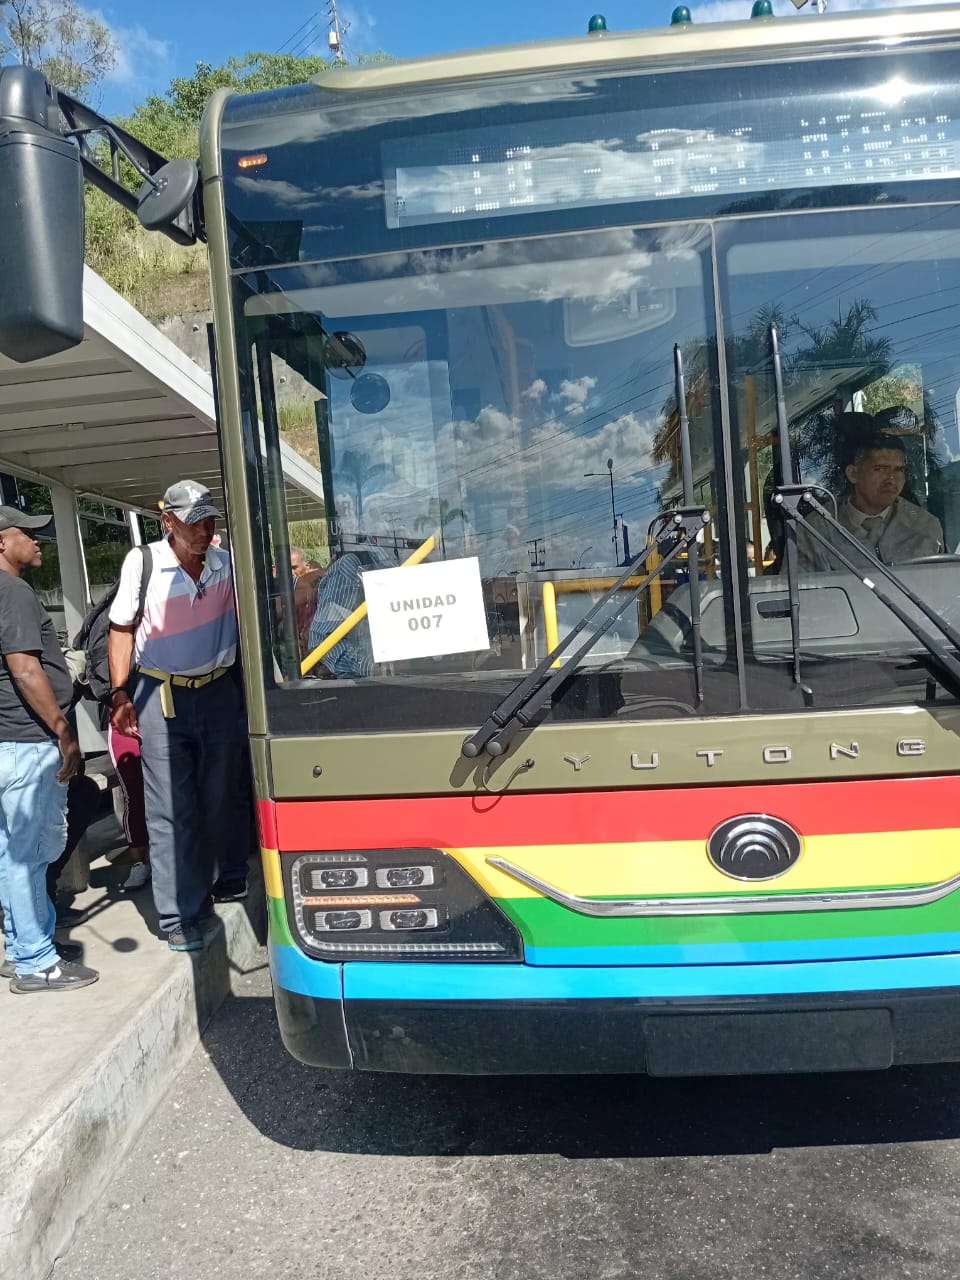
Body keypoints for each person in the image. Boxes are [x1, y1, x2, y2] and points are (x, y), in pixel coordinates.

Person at [107, 481, 251, 953]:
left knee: (220, 795)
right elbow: (121, 630)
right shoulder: (143, 563)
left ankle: (222, 878)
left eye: (210, 520)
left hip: (218, 691)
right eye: (194, 522)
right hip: (161, 695)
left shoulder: (226, 564)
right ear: (167, 521)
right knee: (171, 808)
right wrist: (120, 694)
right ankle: (178, 916)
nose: (205, 530)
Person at [0, 505, 98, 993]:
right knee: (30, 854)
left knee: (11, 853)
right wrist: (62, 730)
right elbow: (24, 668)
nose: (39, 541)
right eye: (29, 534)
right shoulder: (13, 591)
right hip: (26, 742)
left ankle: (22, 946)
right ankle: (37, 963)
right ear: (2, 542)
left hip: (8, 742)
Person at [794, 432, 943, 572]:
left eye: (899, 470)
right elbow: (803, 587)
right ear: (853, 474)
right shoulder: (817, 528)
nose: (891, 479)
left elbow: (939, 583)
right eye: (880, 469)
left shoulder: (924, 525)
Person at [306, 542, 392, 678]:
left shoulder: (421, 558)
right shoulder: (353, 566)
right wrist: (374, 667)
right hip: (373, 683)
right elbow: (322, 640)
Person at [290, 546, 323, 653]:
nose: (291, 573)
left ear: (306, 565)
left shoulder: (315, 583)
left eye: (294, 568)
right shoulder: (291, 588)